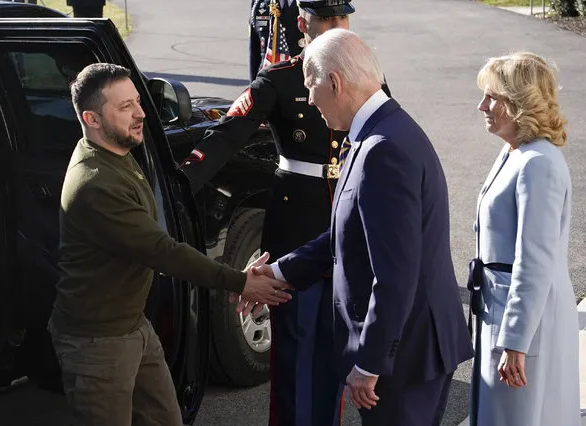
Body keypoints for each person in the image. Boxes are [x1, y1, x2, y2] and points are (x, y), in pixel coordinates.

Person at [241, 28, 474, 425]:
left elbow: (395, 273)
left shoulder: (383, 148)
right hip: (408, 346)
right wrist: (278, 272)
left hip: (404, 356)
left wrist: (370, 362)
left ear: (334, 82)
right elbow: (347, 237)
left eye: (311, 87)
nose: (310, 100)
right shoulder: (380, 131)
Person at [48, 63, 291, 426]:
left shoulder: (116, 154)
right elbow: (162, 251)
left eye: (138, 101)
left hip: (132, 327)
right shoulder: (96, 184)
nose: (141, 113)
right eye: (125, 106)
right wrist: (241, 282)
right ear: (92, 118)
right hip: (98, 344)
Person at [183, 2, 379, 425]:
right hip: (295, 231)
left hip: (347, 228)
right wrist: (180, 186)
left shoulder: (364, 73)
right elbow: (227, 134)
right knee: (293, 351)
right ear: (301, 22)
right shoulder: (279, 78)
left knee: (338, 348)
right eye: (325, 19)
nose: (335, 27)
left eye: (341, 18)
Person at [470, 52, 580, 426]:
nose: (481, 105)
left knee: (517, 417)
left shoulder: (538, 163)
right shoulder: (514, 152)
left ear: (519, 103)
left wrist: (516, 339)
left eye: (492, 97)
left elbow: (535, 260)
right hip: (500, 307)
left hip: (522, 320)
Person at [249, 0, 304, 80]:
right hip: (267, 81)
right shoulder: (260, 3)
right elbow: (255, 51)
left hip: (302, 80)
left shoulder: (313, 3)